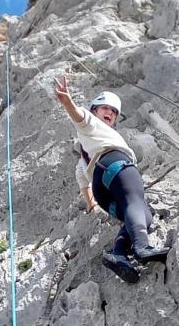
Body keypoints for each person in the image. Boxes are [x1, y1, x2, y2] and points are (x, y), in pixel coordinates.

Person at [53, 74, 168, 283]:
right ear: (94, 110)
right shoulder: (92, 125)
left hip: (103, 190)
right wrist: (67, 101)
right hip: (116, 165)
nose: (110, 113)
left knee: (143, 215)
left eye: (114, 112)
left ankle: (119, 254)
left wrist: (91, 204)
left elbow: (82, 180)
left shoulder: (85, 152)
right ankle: (142, 247)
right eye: (105, 108)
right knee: (134, 200)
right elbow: (78, 115)